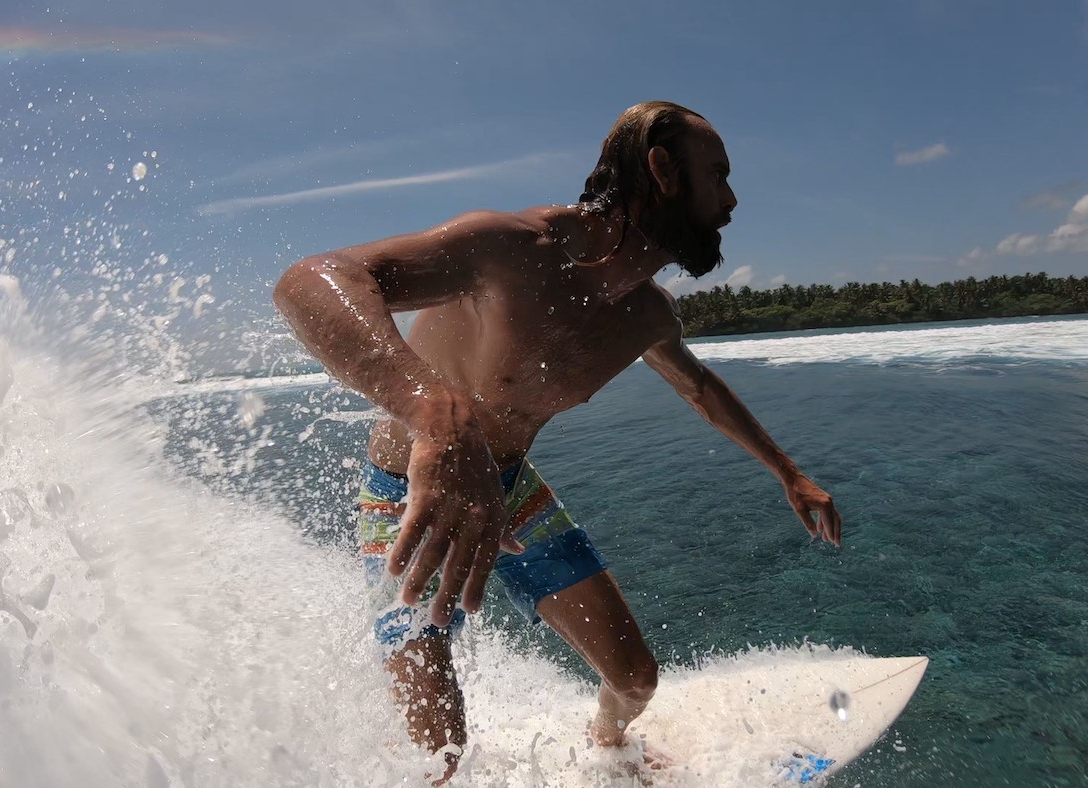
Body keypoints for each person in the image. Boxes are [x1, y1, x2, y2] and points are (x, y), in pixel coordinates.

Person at [273, 101, 842, 782]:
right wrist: (433, 411)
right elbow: (311, 280)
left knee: (635, 681)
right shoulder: (512, 250)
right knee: (440, 758)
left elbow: (700, 388)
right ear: (662, 170)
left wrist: (788, 472)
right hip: (409, 499)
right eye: (718, 175)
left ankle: (610, 749)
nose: (731, 200)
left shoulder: (647, 313)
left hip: (510, 493)